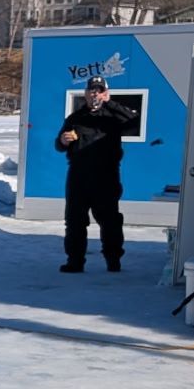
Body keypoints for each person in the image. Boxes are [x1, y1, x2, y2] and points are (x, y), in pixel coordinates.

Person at [55, 75, 139, 273]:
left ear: (105, 93)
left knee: (109, 220)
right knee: (75, 220)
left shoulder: (113, 118)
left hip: (106, 176)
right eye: (92, 90)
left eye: (99, 90)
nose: (95, 94)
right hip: (78, 175)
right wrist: (63, 141)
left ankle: (113, 260)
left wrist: (111, 103)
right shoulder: (75, 118)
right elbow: (58, 144)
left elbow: (135, 122)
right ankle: (75, 261)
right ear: (85, 93)